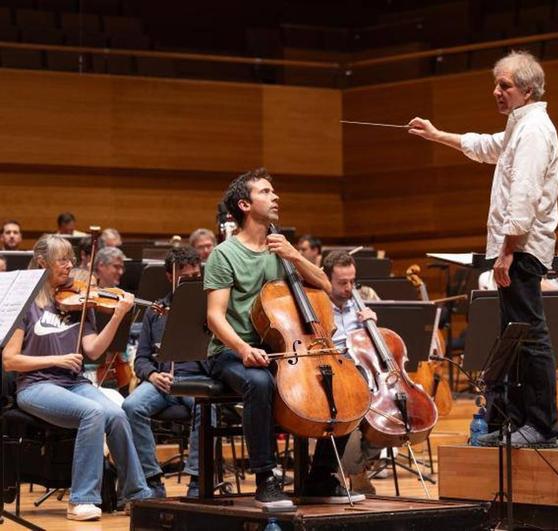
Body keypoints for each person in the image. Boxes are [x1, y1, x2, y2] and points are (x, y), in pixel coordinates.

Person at [409, 50, 558, 447]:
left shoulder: (533, 131)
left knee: (531, 336)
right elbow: (487, 146)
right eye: (496, 84)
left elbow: (524, 198)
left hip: (522, 250)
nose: (496, 91)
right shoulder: (519, 127)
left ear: (526, 89)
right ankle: (519, 419)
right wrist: (436, 134)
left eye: (504, 85)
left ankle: (541, 425)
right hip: (517, 248)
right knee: (519, 335)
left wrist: (508, 252)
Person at [204, 168, 364, 509]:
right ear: (245, 205)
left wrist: (293, 255)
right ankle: (266, 478)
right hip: (232, 351)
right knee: (259, 383)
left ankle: (320, 478)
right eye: (266, 192)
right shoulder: (224, 255)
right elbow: (215, 315)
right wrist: (243, 348)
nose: (275, 197)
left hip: (281, 347)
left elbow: (325, 285)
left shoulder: (282, 250)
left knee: (352, 382)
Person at [2, 235, 153, 521]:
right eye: (63, 260)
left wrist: (119, 316)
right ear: (42, 262)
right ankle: (81, 499)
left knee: (118, 415)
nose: (70, 265)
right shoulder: (26, 306)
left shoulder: (79, 304)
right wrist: (56, 359)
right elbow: (10, 361)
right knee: (93, 412)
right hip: (37, 385)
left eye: (71, 259)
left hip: (74, 383)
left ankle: (137, 495)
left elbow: (93, 349)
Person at [122, 246, 207, 498]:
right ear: (170, 277)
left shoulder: (208, 307)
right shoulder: (155, 310)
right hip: (161, 382)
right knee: (131, 407)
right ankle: (152, 480)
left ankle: (196, 479)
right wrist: (151, 375)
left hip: (196, 379)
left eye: (195, 277)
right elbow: (142, 358)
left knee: (206, 407)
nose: (192, 283)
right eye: (185, 278)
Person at [322, 251, 383, 494]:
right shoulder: (318, 304)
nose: (349, 288)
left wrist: (372, 325)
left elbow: (374, 350)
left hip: (364, 370)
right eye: (342, 283)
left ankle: (352, 464)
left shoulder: (360, 302)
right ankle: (357, 473)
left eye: (352, 281)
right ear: (327, 280)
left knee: (388, 416)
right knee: (351, 415)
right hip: (335, 370)